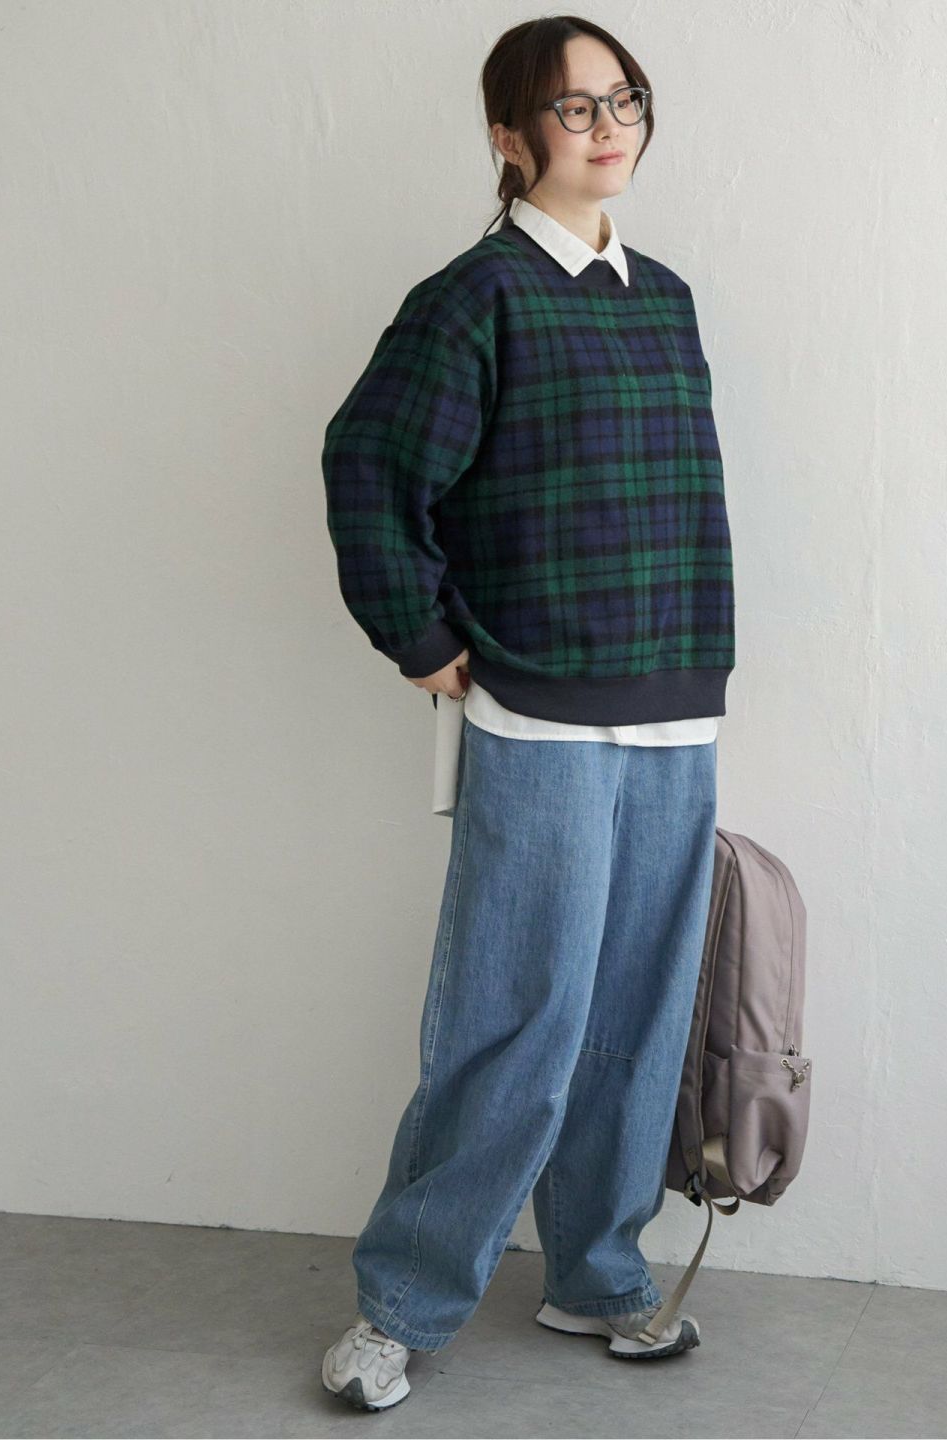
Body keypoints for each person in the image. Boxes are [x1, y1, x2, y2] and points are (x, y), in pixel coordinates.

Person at [319, 14, 735, 1412]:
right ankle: (404, 1304)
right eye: (573, 107)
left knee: (635, 1020)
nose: (608, 127)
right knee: (514, 1021)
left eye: (625, 99)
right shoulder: (477, 296)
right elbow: (369, 462)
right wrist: (421, 636)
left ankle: (596, 1275)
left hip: (675, 707)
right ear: (511, 136)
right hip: (540, 709)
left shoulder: (663, 296)